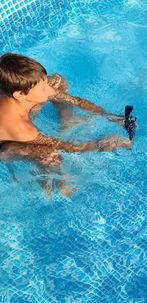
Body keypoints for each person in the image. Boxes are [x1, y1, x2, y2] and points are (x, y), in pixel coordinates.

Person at [0, 53, 131, 196]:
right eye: (42, 88)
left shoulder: (13, 87)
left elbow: (73, 100)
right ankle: (52, 189)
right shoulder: (23, 129)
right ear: (20, 94)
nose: (48, 89)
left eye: (44, 81)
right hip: (5, 145)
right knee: (48, 154)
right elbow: (68, 148)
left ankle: (68, 122)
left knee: (57, 81)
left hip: (21, 111)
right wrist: (101, 143)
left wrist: (109, 116)